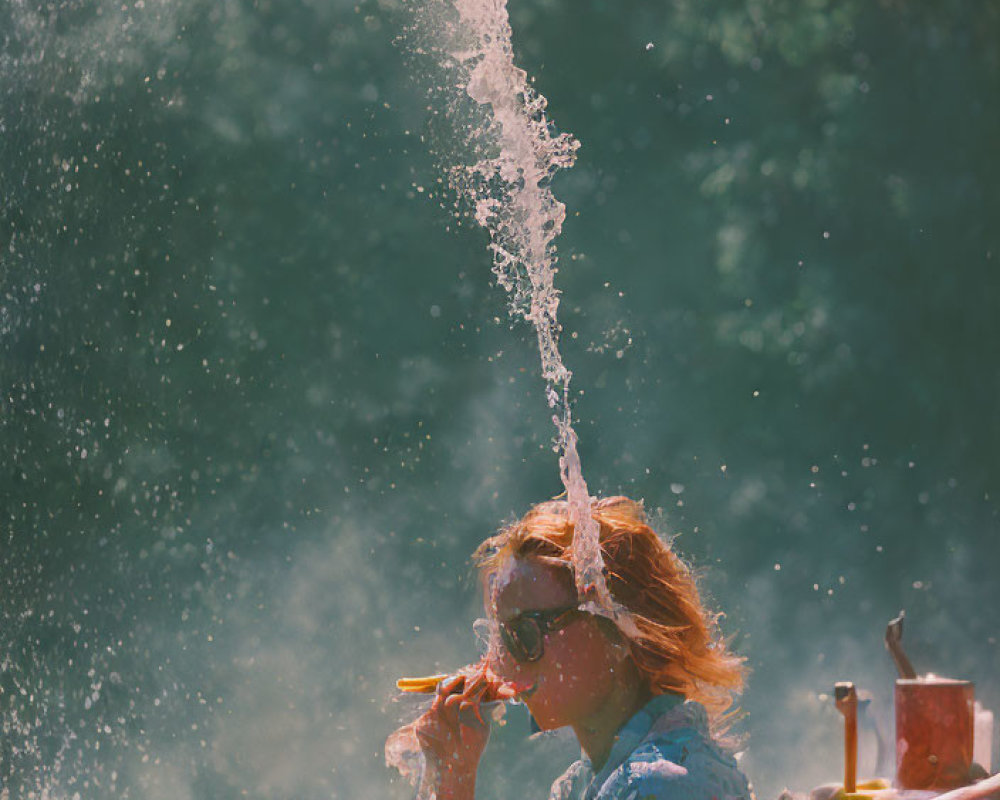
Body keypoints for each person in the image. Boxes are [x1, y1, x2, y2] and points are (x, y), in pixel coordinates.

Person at [411, 495, 752, 800]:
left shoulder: (661, 785)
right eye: (500, 636)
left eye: (525, 633)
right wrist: (452, 779)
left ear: (618, 629)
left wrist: (455, 786)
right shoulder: (595, 780)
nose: (501, 660)